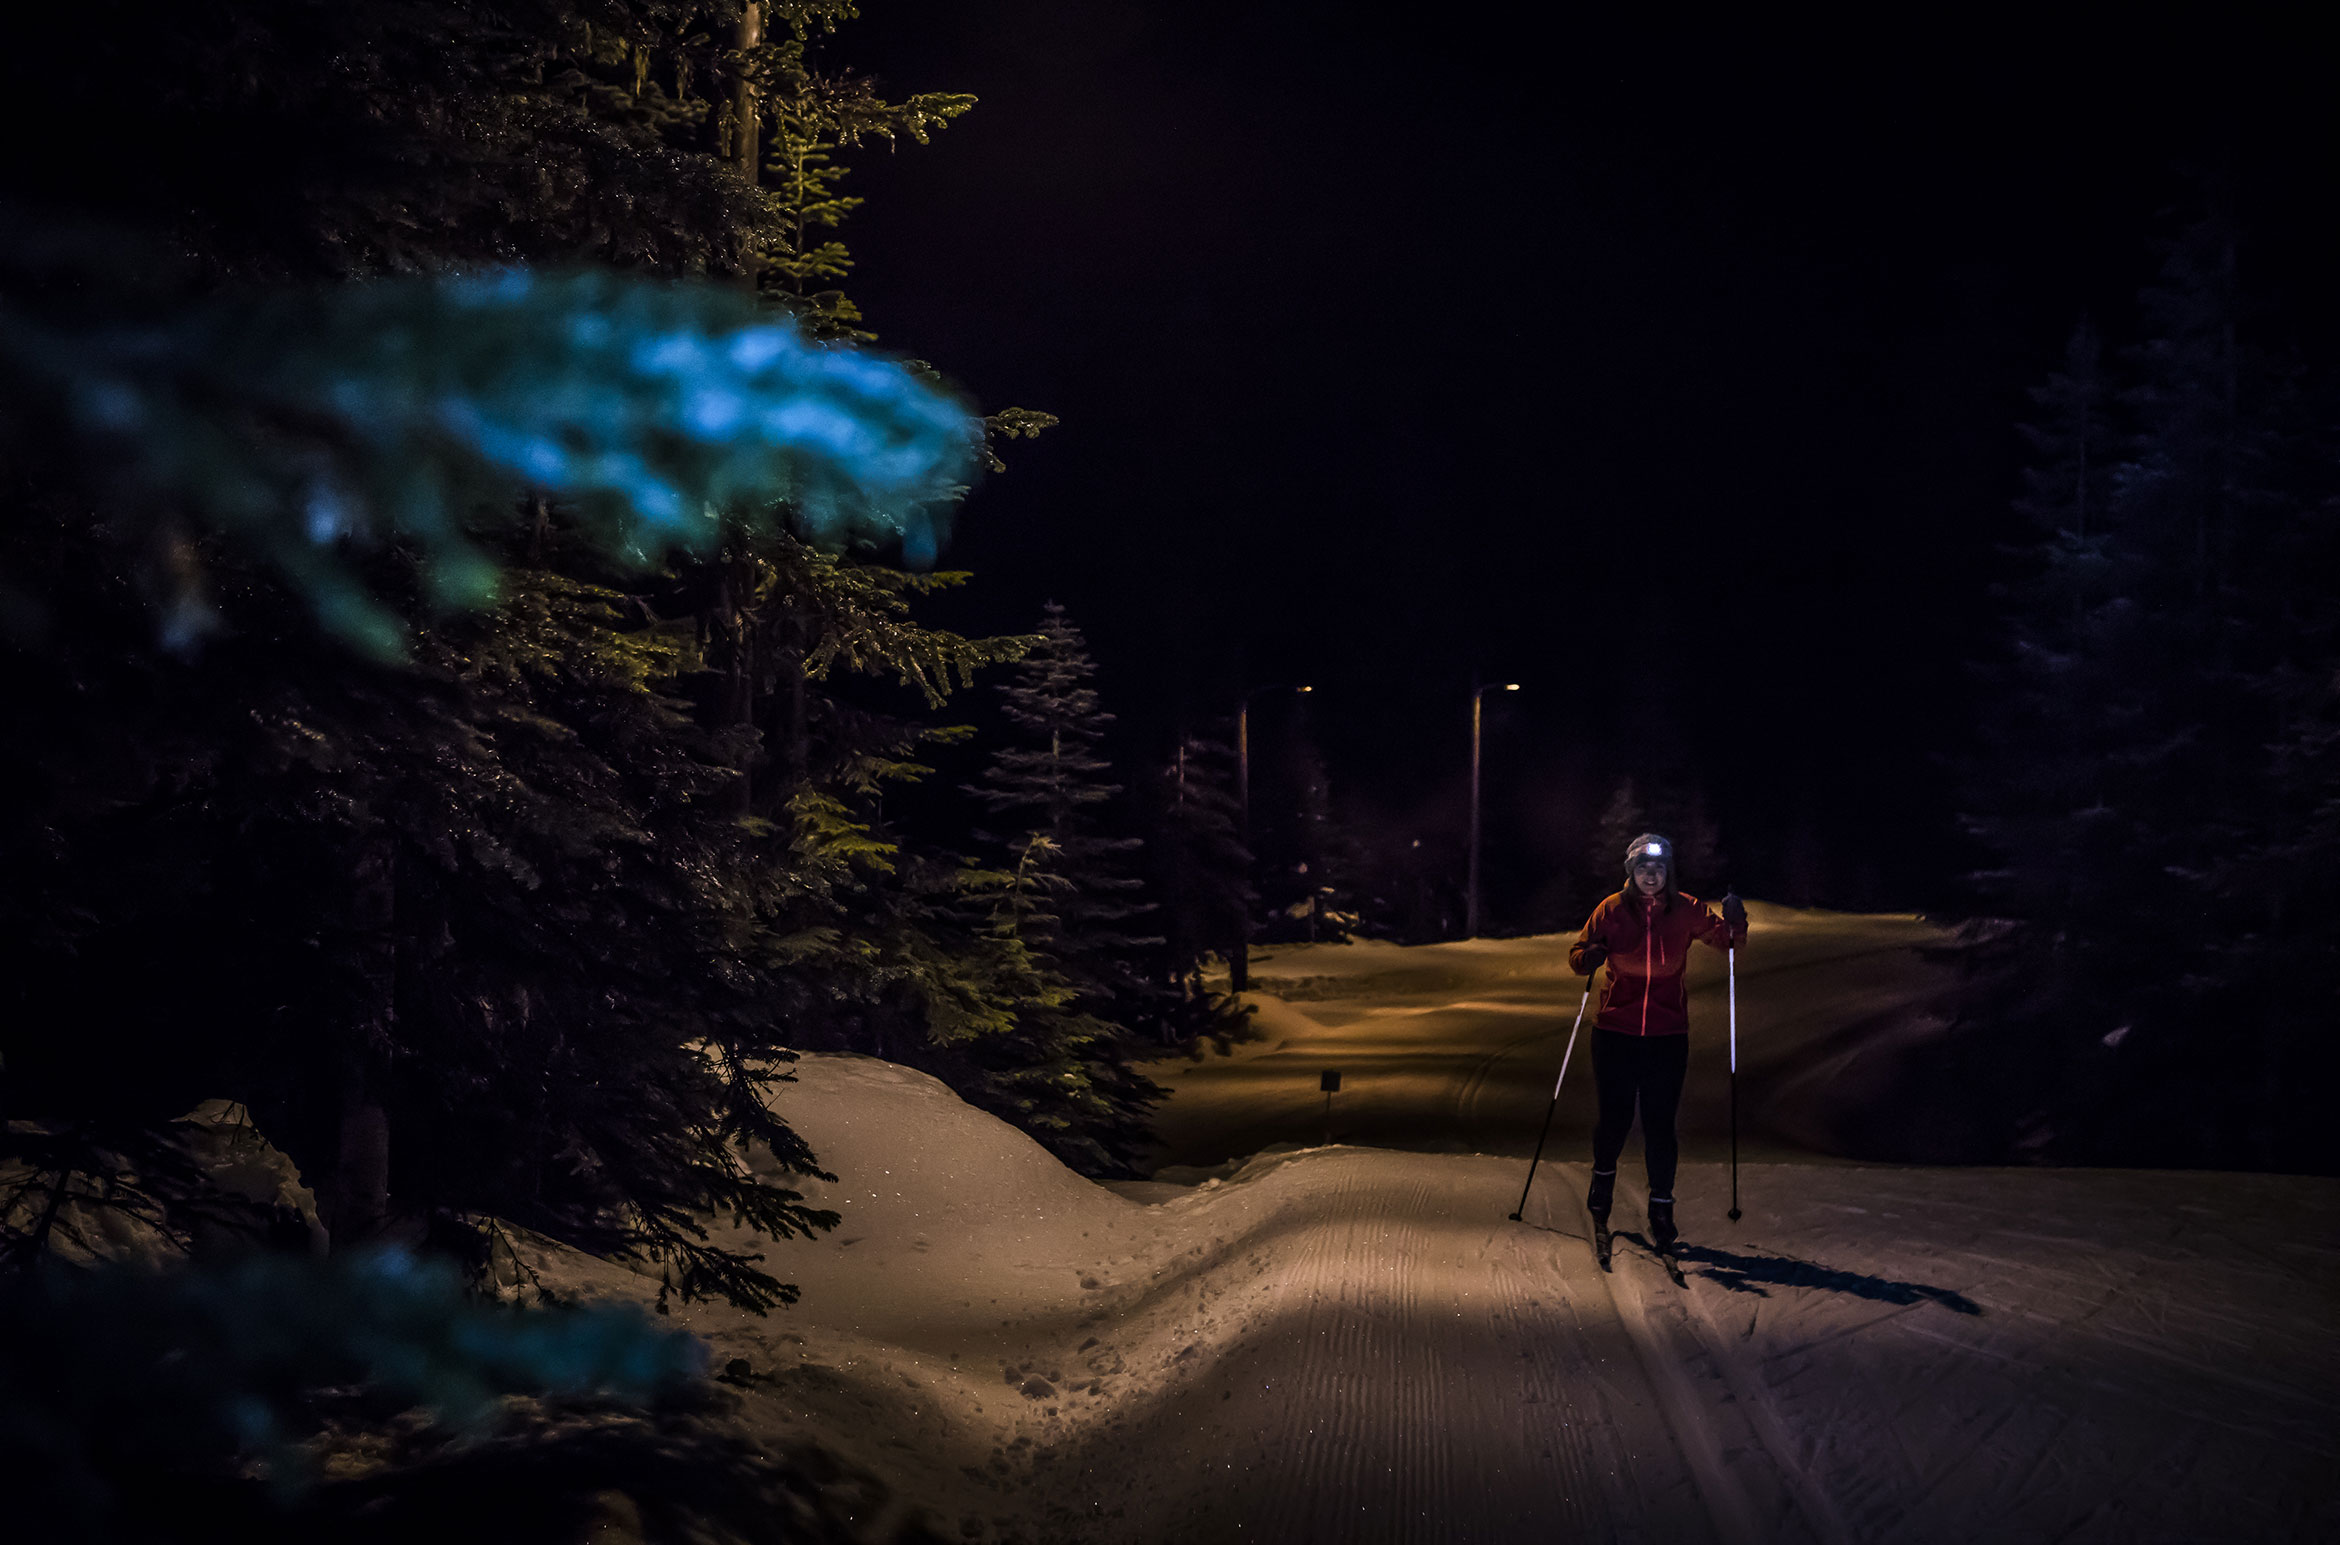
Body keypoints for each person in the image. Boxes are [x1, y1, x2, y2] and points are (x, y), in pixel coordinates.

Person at [1566, 833, 1747, 1251]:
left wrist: (1736, 920)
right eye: (1644, 868)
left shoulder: (1685, 908)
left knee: (1660, 1125)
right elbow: (1579, 954)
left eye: (1659, 868)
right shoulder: (1610, 909)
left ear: (1669, 872)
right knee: (1614, 1117)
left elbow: (1729, 942)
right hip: (1614, 1031)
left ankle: (1662, 1209)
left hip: (1667, 1035)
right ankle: (1602, 1189)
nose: (1652, 875)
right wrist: (1588, 957)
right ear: (1631, 872)